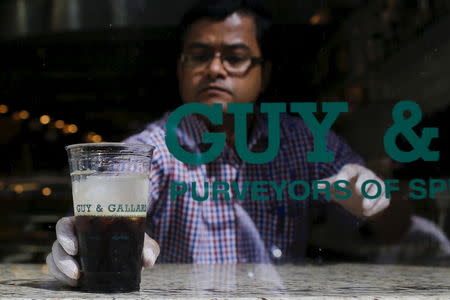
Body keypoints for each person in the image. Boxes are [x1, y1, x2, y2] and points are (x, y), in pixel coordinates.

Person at [46, 0, 390, 286]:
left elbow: (395, 226)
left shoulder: (304, 140)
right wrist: (84, 243)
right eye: (199, 56)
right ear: (181, 70)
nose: (214, 69)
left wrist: (373, 197)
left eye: (235, 57)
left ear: (264, 74)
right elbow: (107, 194)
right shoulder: (155, 149)